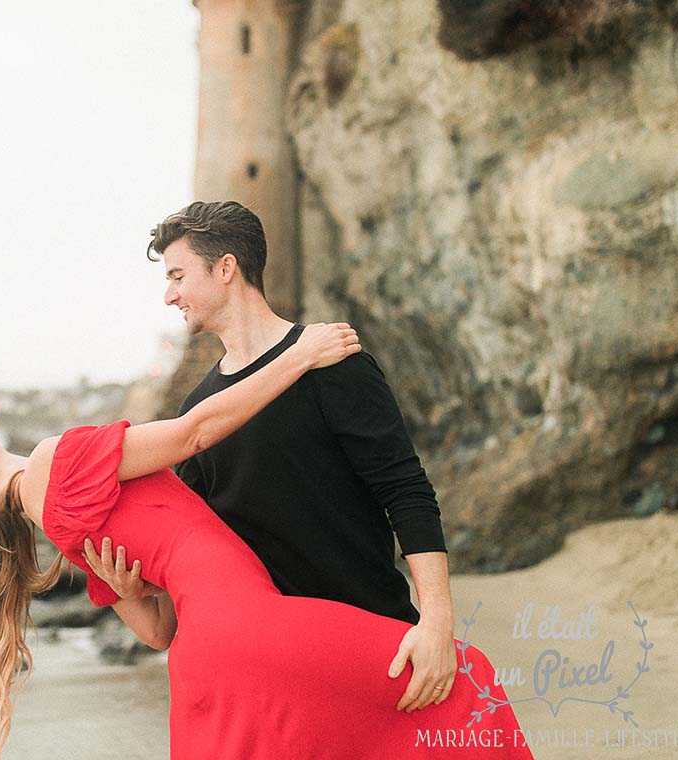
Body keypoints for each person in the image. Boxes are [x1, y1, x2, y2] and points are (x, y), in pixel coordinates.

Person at [0, 323, 534, 760]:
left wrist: (131, 590)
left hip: (207, 658)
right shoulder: (50, 461)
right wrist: (299, 356)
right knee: (464, 690)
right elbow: (193, 433)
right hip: (250, 626)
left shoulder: (60, 529)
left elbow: (158, 631)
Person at [86, 200, 457, 715]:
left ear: (225, 269)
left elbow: (406, 491)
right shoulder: (198, 412)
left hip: (375, 644)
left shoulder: (333, 362)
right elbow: (190, 568)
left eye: (177, 275)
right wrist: (133, 590)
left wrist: (436, 623)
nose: (169, 295)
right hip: (275, 675)